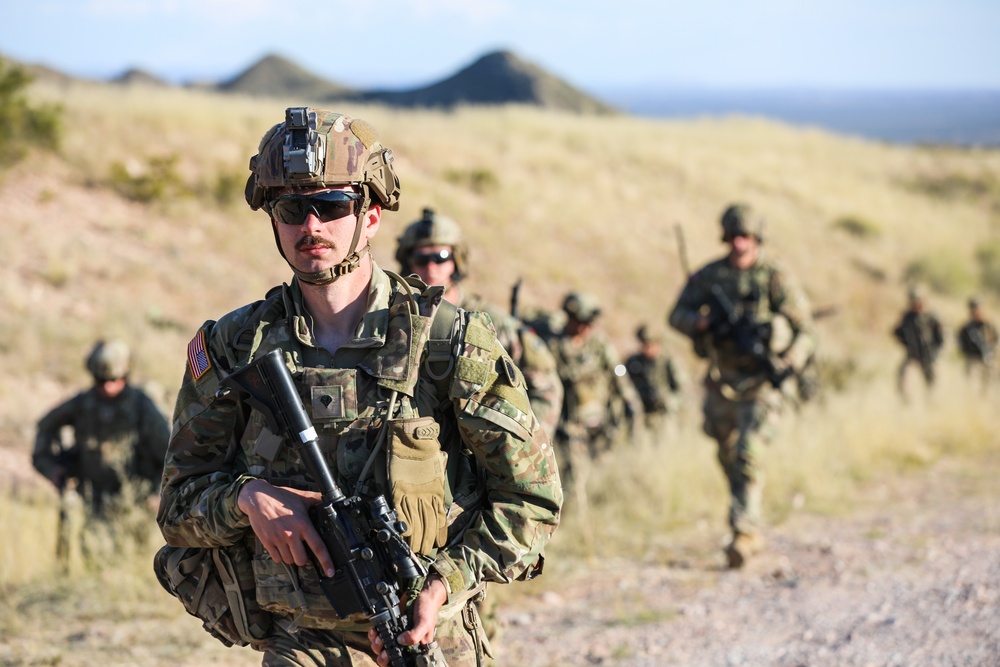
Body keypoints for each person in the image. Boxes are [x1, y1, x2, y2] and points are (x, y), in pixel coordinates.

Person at [156, 107, 562, 667]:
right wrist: (247, 499)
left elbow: (531, 499)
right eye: (292, 208)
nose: (311, 226)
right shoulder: (236, 346)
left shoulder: (449, 343)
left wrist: (444, 584)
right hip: (299, 643)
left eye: (331, 205)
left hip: (428, 640)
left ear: (370, 215)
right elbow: (177, 506)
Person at [668, 203, 816, 568]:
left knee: (749, 452)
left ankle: (744, 532)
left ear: (756, 238)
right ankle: (744, 513)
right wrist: (702, 324)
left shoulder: (775, 277)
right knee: (728, 454)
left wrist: (789, 361)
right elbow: (676, 315)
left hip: (763, 382)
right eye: (734, 237)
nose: (739, 244)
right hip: (723, 381)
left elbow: (805, 330)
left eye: (746, 237)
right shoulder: (710, 277)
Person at [395, 207, 564, 439]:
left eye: (440, 257)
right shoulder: (398, 318)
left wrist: (528, 445)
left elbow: (546, 387)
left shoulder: (487, 321)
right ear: (408, 263)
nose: (431, 268)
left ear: (457, 260)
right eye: (420, 259)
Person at [33, 339, 169, 517]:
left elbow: (170, 455)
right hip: (93, 504)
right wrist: (52, 470)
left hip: (136, 506)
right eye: (101, 380)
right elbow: (45, 426)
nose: (107, 387)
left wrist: (158, 494)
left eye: (114, 380)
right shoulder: (83, 404)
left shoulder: (143, 407)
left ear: (125, 376)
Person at [549, 292, 641, 490]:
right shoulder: (555, 347)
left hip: (601, 422)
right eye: (581, 322)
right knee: (574, 476)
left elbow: (619, 375)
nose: (585, 328)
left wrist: (630, 401)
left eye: (589, 323)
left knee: (602, 472)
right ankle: (576, 514)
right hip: (571, 427)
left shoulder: (600, 345)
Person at [624, 324, 685, 441]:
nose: (646, 348)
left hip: (664, 412)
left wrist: (670, 401)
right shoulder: (634, 362)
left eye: (649, 344)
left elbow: (681, 390)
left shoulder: (668, 361)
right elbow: (620, 375)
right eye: (643, 344)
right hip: (642, 412)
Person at [892, 286, 944, 399]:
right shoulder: (908, 317)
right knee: (903, 376)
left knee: (933, 383)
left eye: (917, 300)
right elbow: (897, 332)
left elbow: (941, 337)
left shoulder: (931, 317)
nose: (915, 304)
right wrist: (908, 345)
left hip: (929, 355)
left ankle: (932, 402)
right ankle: (907, 401)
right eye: (912, 301)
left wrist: (935, 352)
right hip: (913, 355)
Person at [956, 297, 998, 388]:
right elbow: (961, 344)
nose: (977, 312)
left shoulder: (989, 325)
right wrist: (969, 352)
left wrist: (991, 351)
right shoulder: (966, 328)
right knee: (971, 384)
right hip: (972, 360)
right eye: (974, 310)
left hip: (987, 360)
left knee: (988, 385)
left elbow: (996, 340)